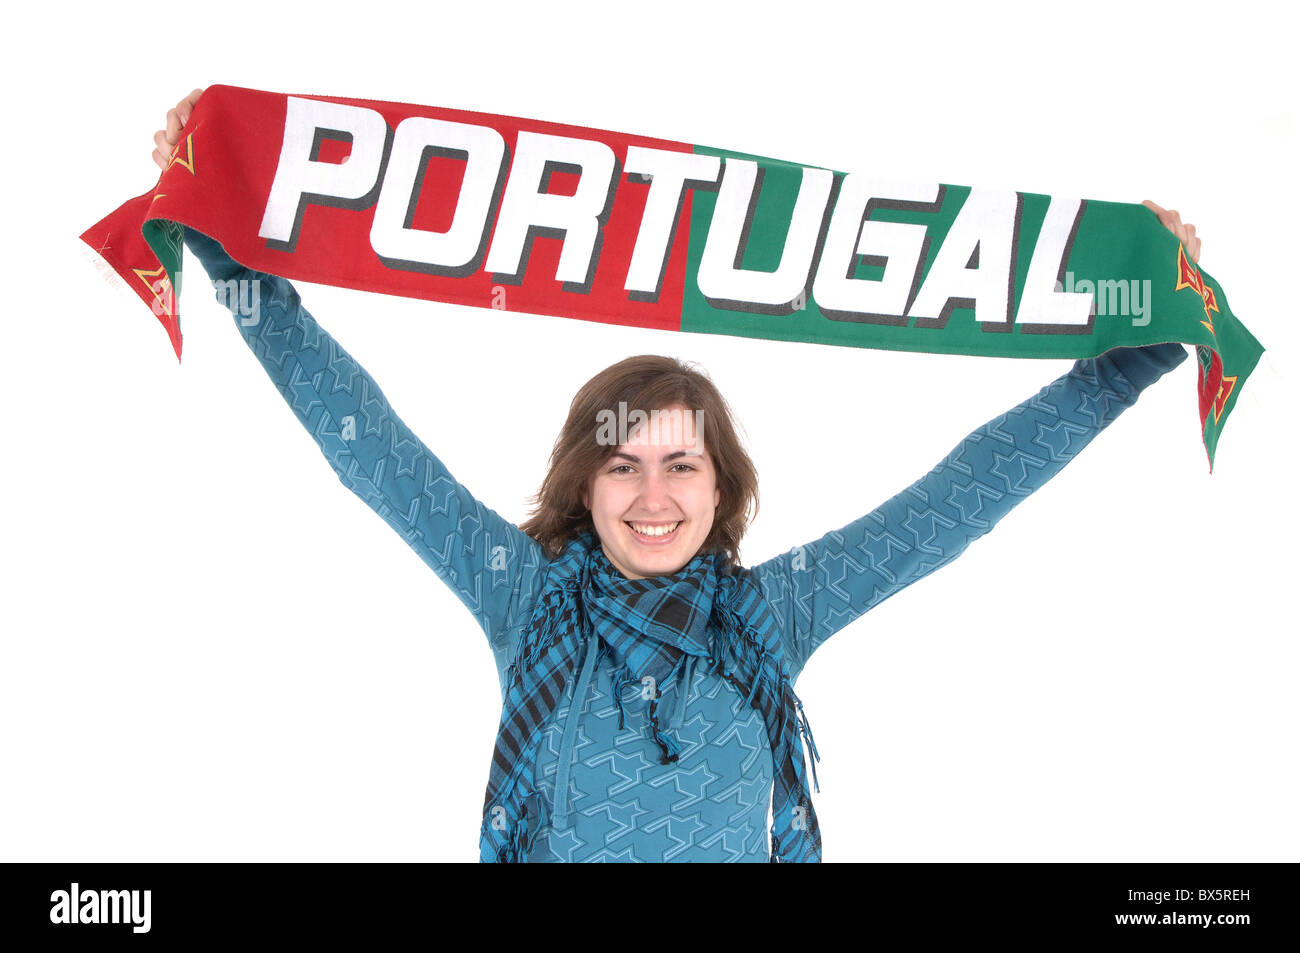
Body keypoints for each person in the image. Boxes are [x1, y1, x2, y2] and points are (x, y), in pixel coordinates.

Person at [154, 89, 1196, 862]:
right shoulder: (525, 598)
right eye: (622, 464)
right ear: (583, 482)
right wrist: (222, 244)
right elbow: (365, 443)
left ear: (719, 485)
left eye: (680, 463)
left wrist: (1136, 348)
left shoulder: (776, 613)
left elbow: (963, 494)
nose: (653, 496)